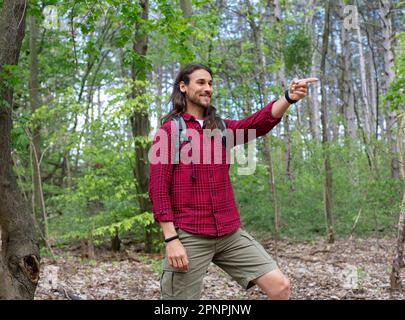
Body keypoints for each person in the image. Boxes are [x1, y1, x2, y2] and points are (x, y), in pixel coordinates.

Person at [148, 63, 318, 300]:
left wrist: (288, 98)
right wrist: (171, 239)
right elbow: (158, 189)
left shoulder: (221, 129)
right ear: (183, 87)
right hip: (189, 234)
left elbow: (256, 124)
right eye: (201, 82)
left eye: (210, 83)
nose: (207, 88)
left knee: (280, 287)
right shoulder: (169, 132)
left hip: (228, 232)